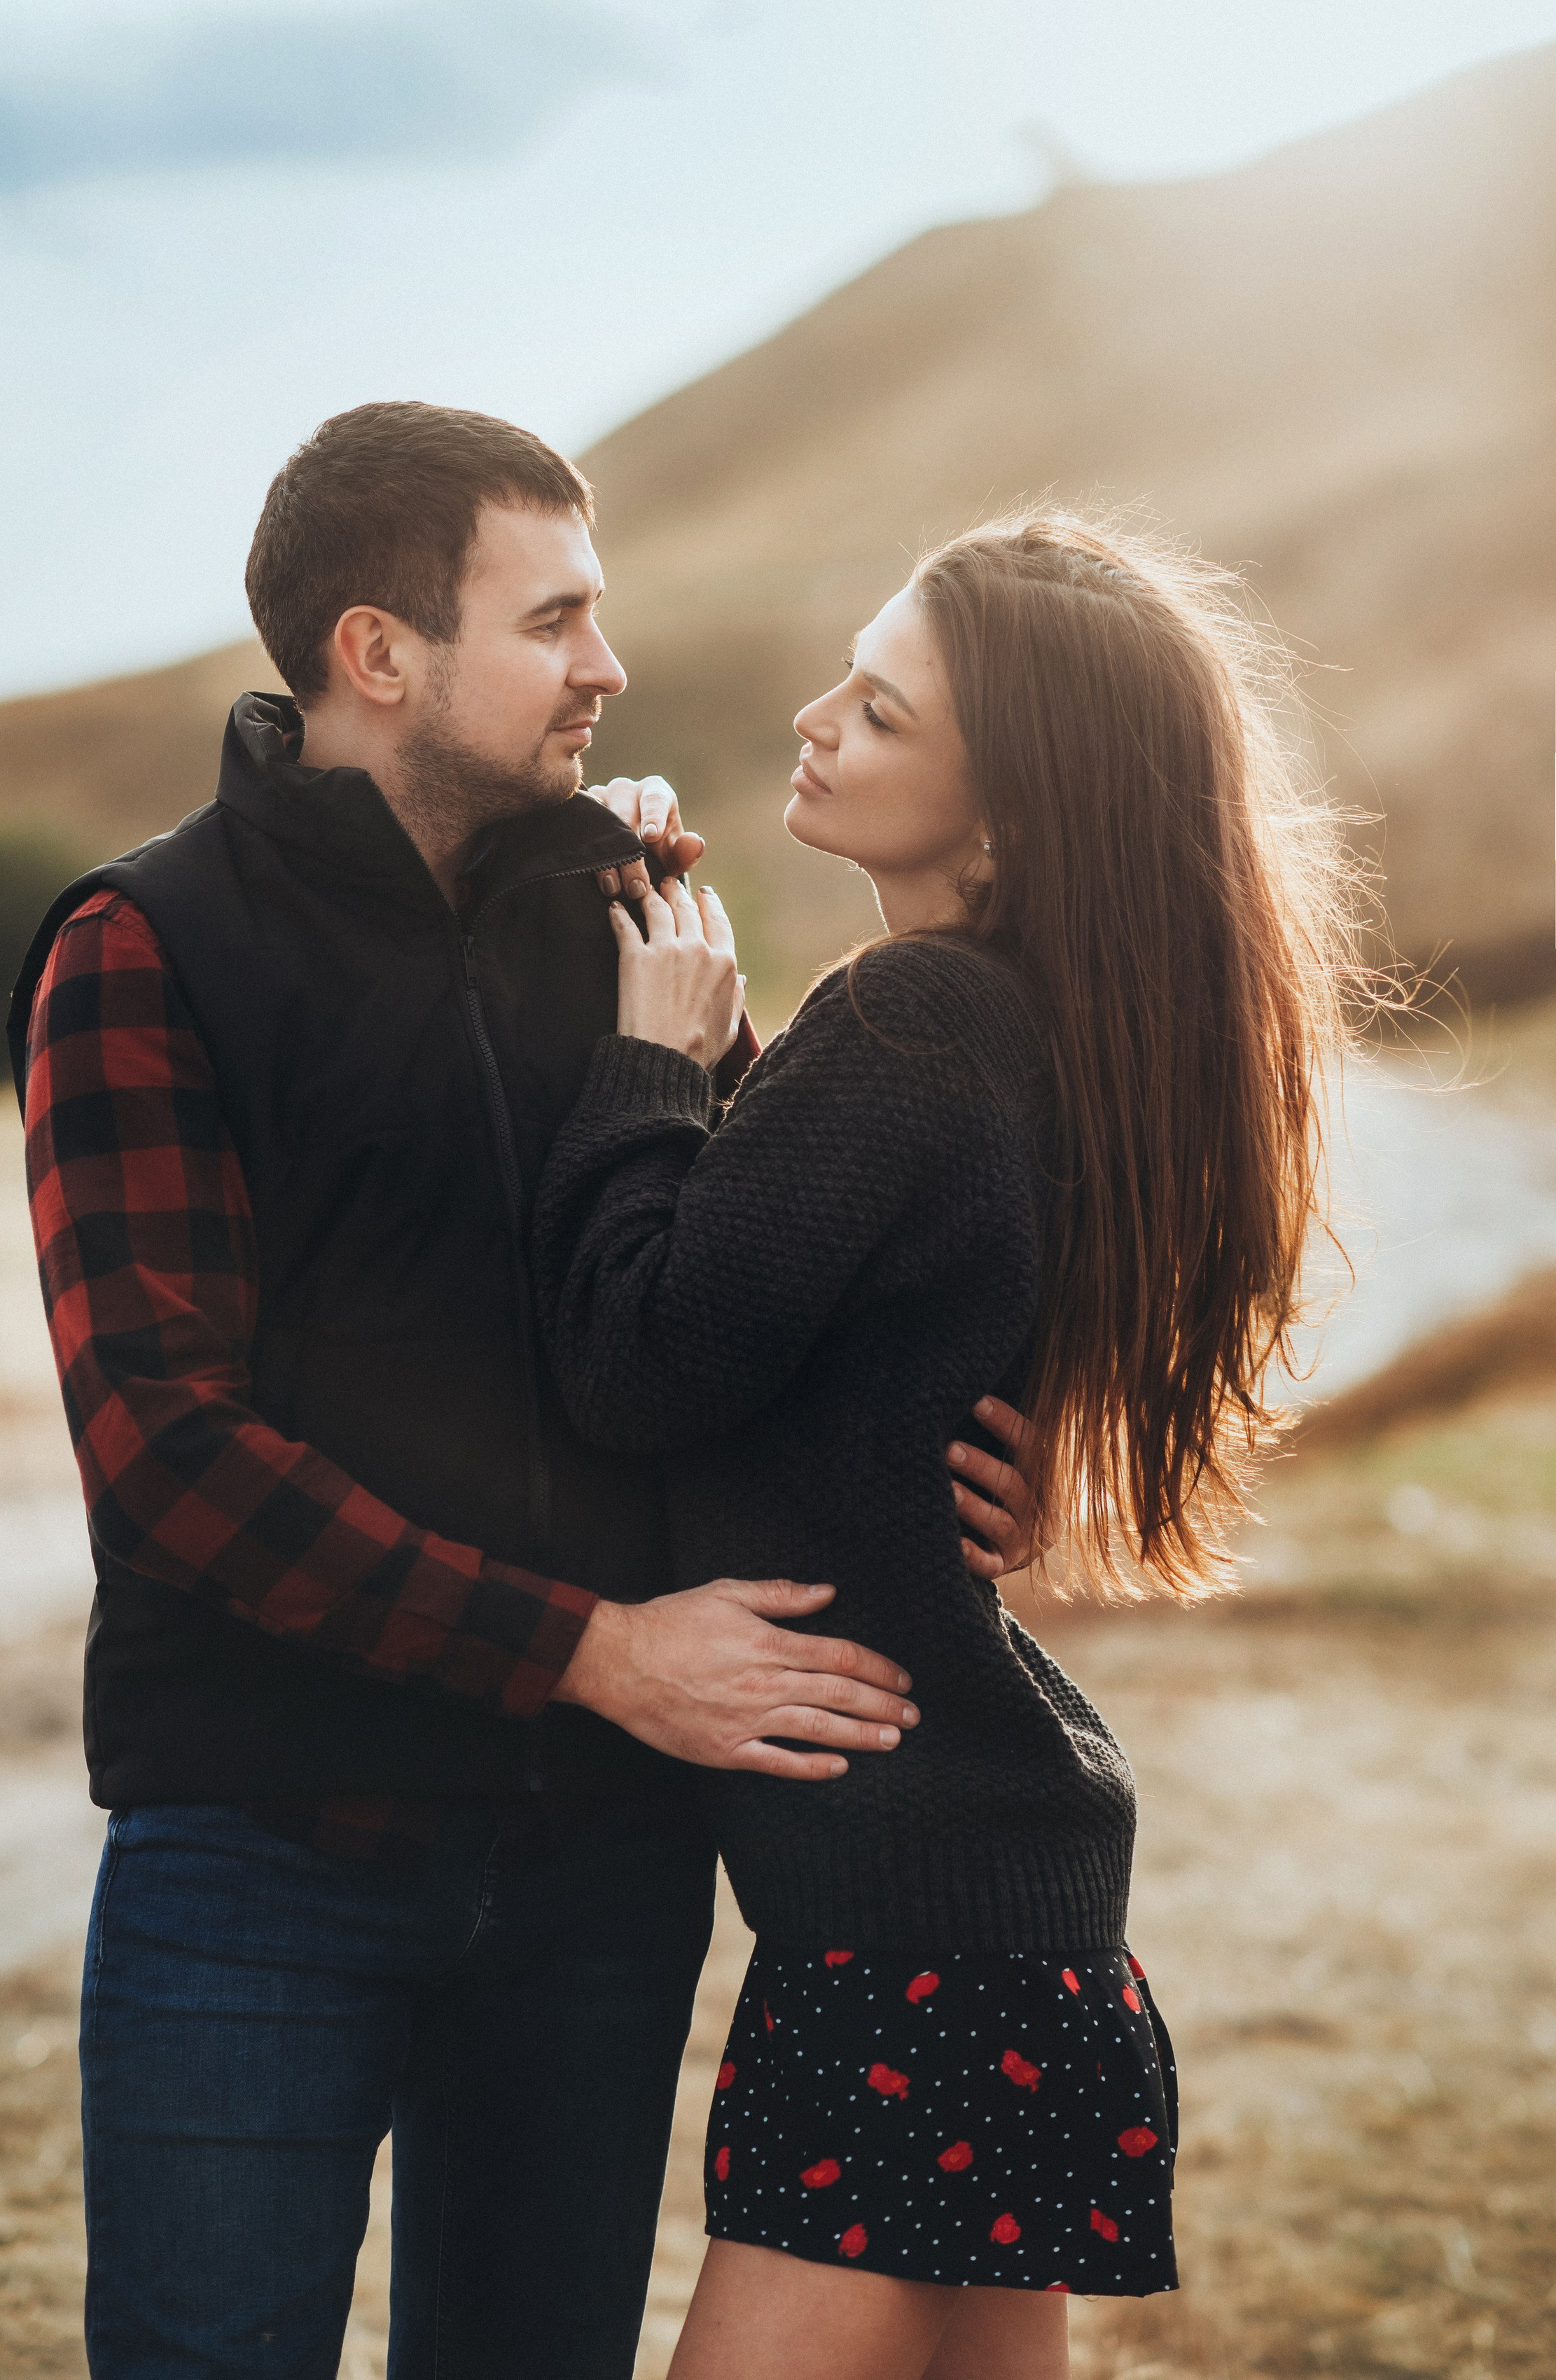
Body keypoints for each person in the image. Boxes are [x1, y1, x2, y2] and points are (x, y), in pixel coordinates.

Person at [8, 401, 1035, 2380]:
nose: (607, 665)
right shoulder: (144, 948)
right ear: (379, 656)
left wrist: (1000, 1449)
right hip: (263, 1848)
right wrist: (590, 1651)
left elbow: (763, 1330)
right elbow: (165, 1457)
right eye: (554, 618)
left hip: (606, 1870)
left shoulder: (629, 924)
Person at [532, 512, 1361, 2380]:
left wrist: (651, 1071)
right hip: (1006, 1900)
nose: (817, 720)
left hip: (910, 1930)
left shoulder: (915, 1016)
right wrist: (734, 1070)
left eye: (882, 711)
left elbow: (640, 1366)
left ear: (1003, 820)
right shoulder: (1023, 1033)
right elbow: (832, 1304)